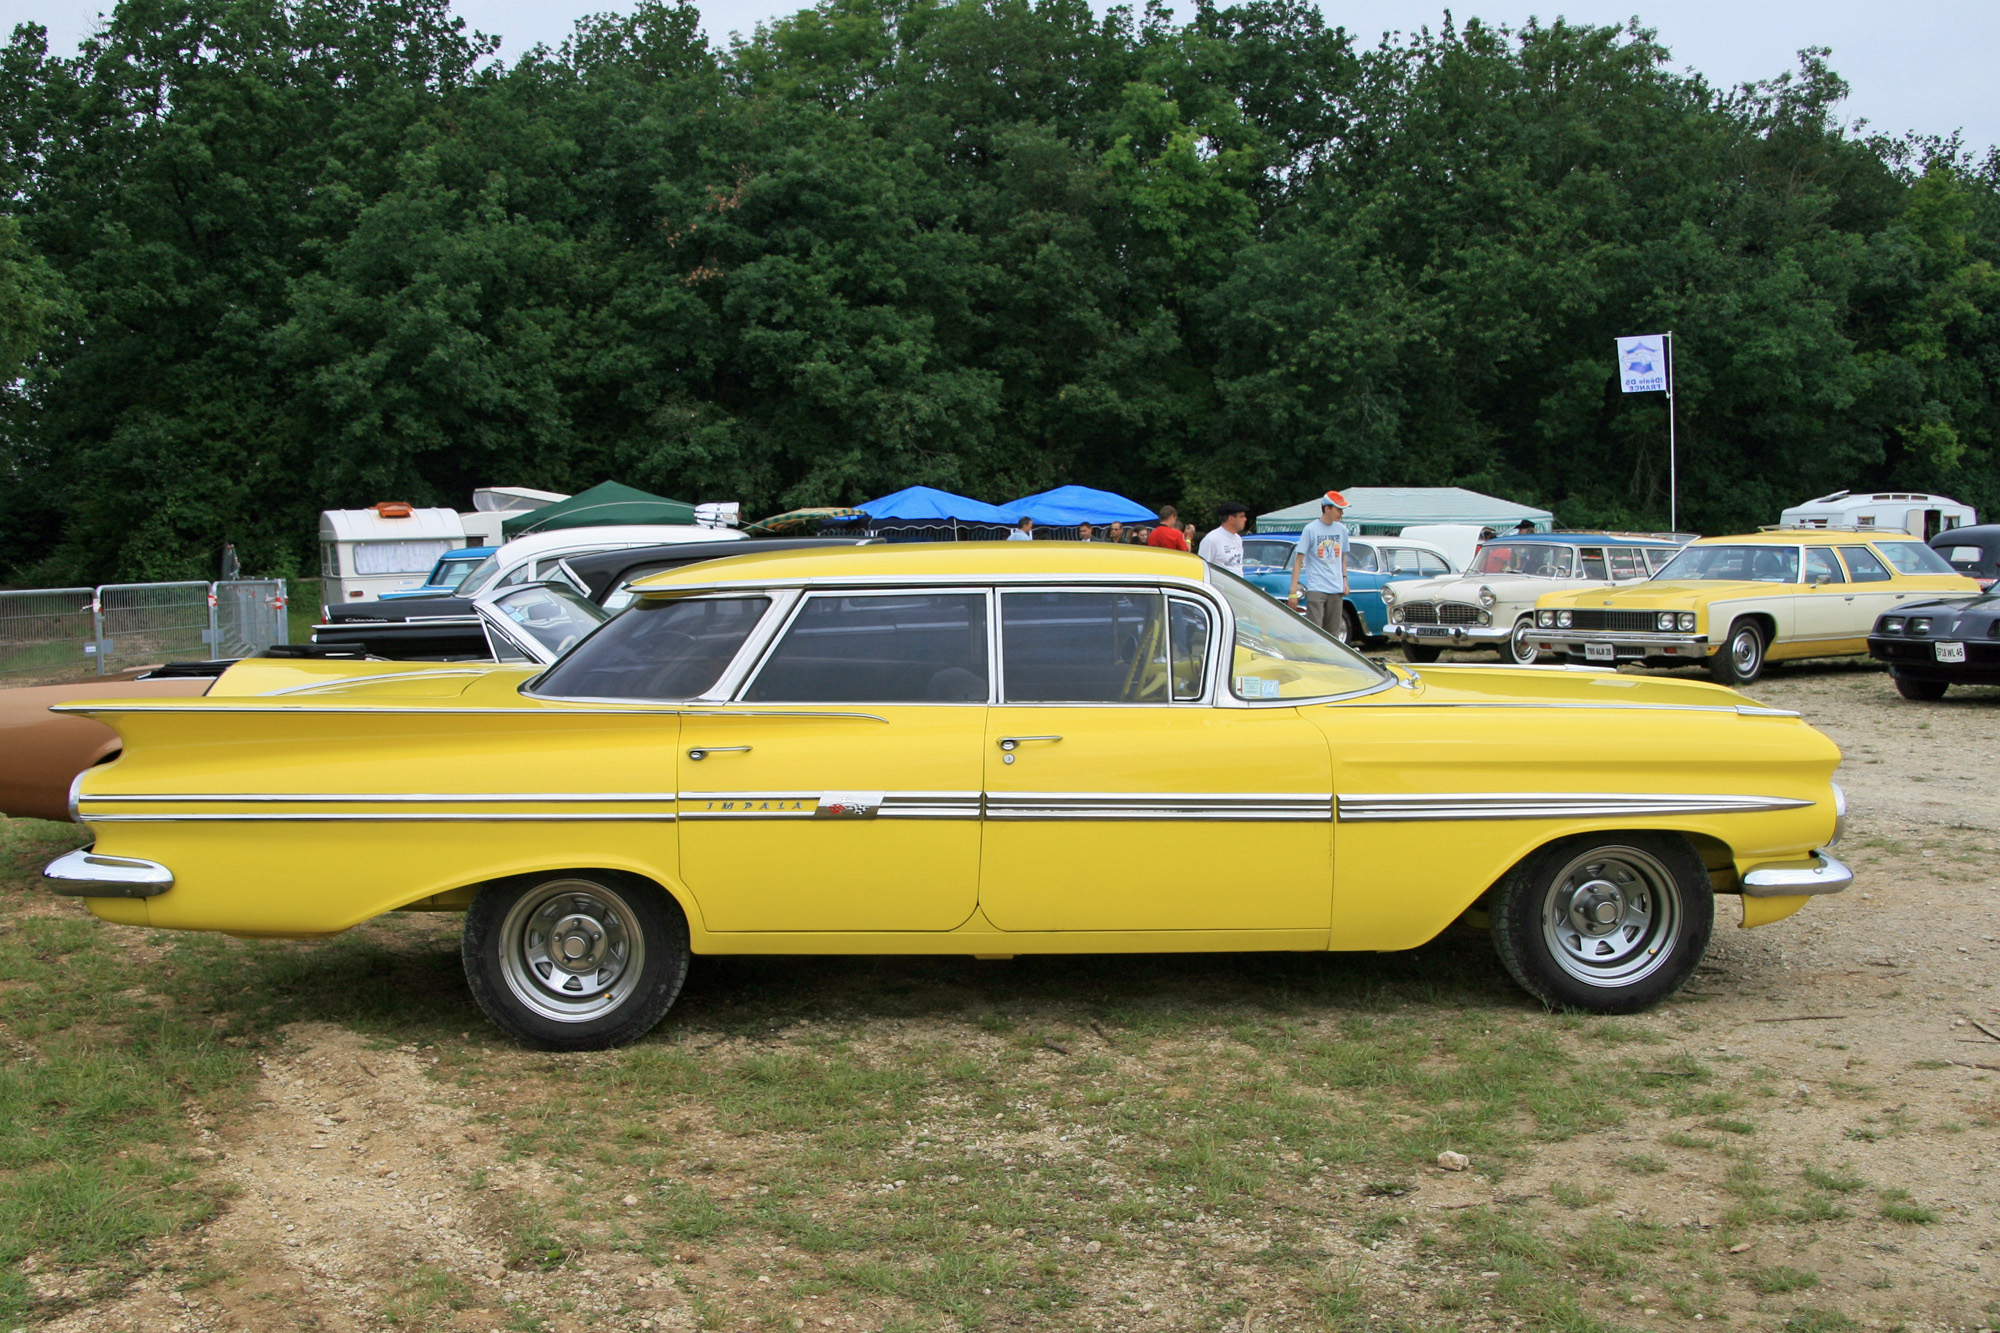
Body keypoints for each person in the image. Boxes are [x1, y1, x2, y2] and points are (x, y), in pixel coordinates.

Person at [1288, 490, 1353, 640]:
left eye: (1342, 509)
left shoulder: (1342, 529)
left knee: (1333, 635)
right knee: (1315, 633)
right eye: (1338, 509)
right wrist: (1293, 592)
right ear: (1327, 508)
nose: (1341, 513)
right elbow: (1298, 562)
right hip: (1317, 587)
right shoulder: (1310, 529)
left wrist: (1345, 580)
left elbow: (1342, 557)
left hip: (1336, 588)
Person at [1198, 501, 1249, 574]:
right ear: (1231, 519)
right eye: (1242, 516)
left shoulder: (1238, 539)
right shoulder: (1211, 540)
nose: (1245, 519)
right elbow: (1203, 568)